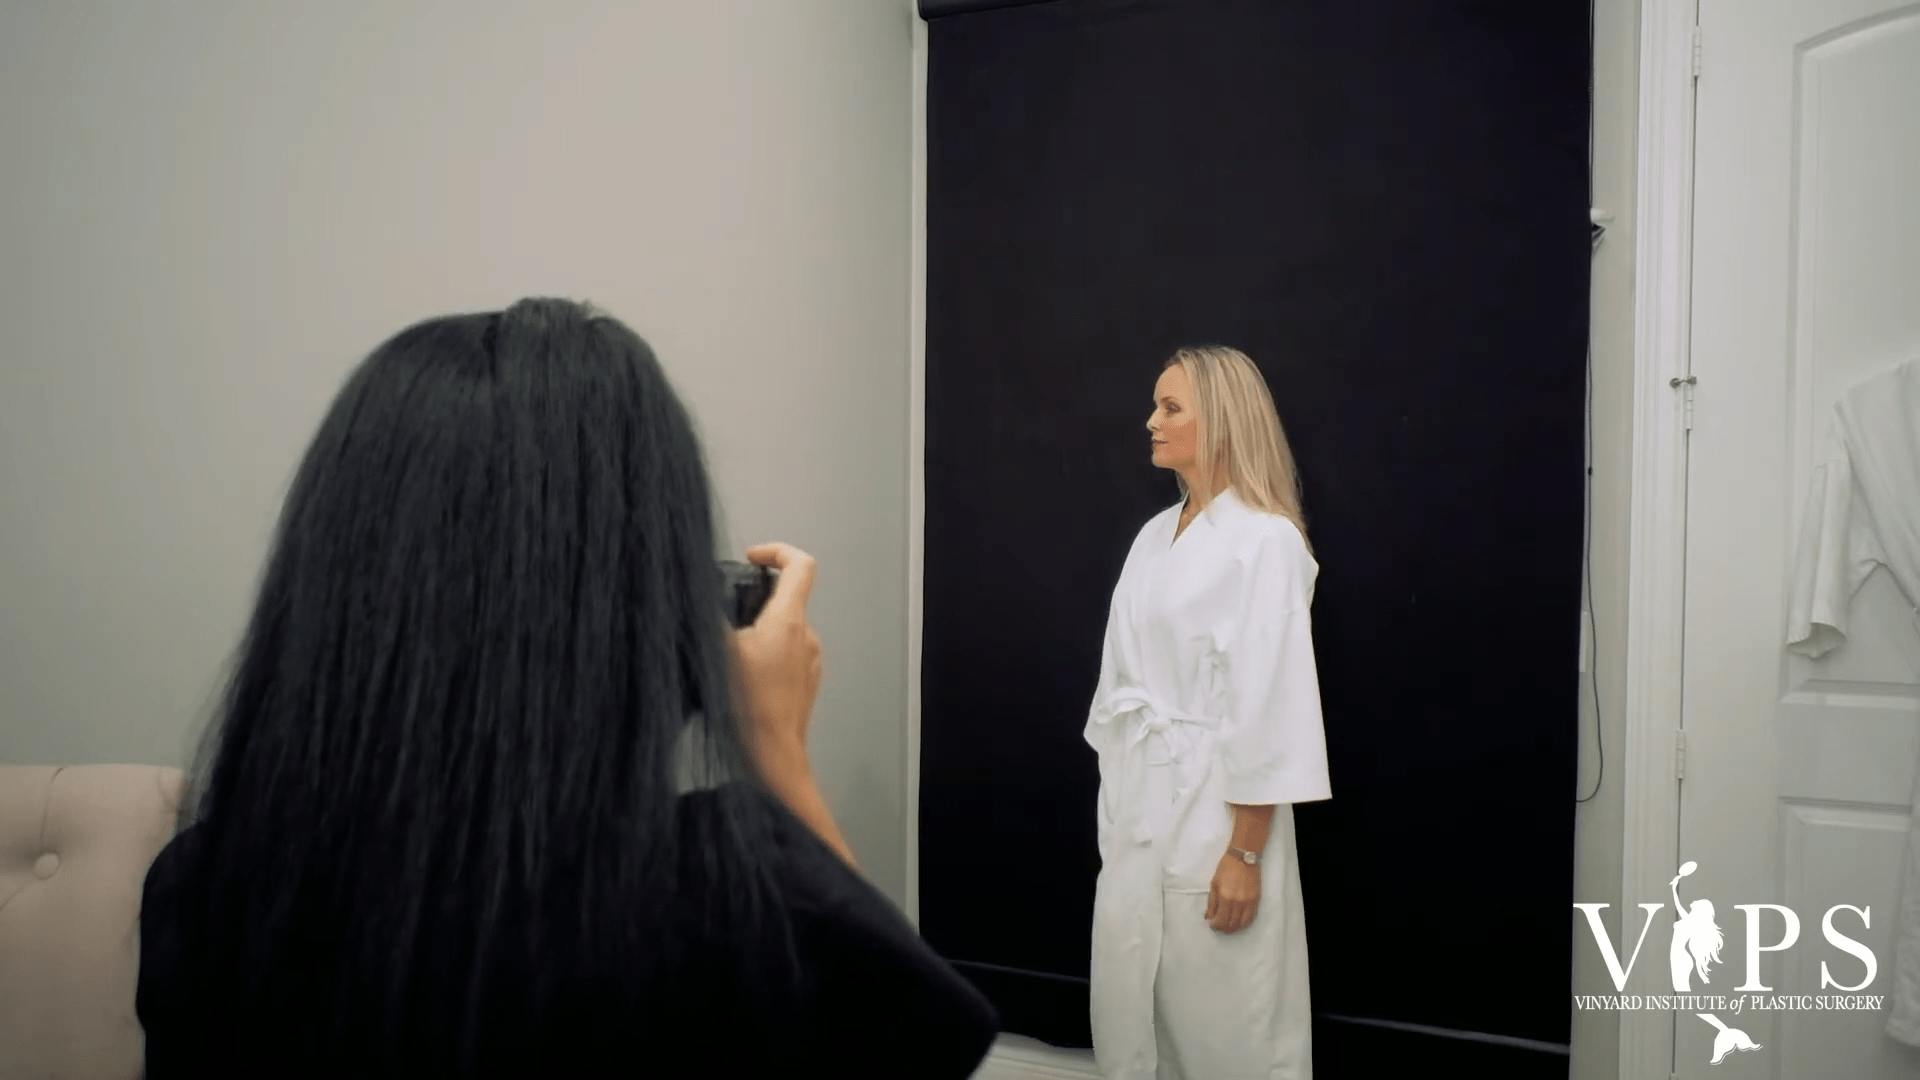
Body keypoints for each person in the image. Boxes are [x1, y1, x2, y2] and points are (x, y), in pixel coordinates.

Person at [134, 298, 998, 1078]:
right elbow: (925, 1040)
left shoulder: (203, 888)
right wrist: (773, 745)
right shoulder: (726, 894)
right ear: (642, 594)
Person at [1084, 345, 1332, 1079]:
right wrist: (1120, 807)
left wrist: (1244, 853)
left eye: (1170, 408)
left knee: (1225, 1024)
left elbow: (1274, 703)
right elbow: (1119, 681)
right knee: (1134, 1012)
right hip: (1138, 808)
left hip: (1219, 815)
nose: (1150, 422)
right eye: (1155, 406)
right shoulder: (1153, 537)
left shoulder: (1266, 542)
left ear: (1220, 421)